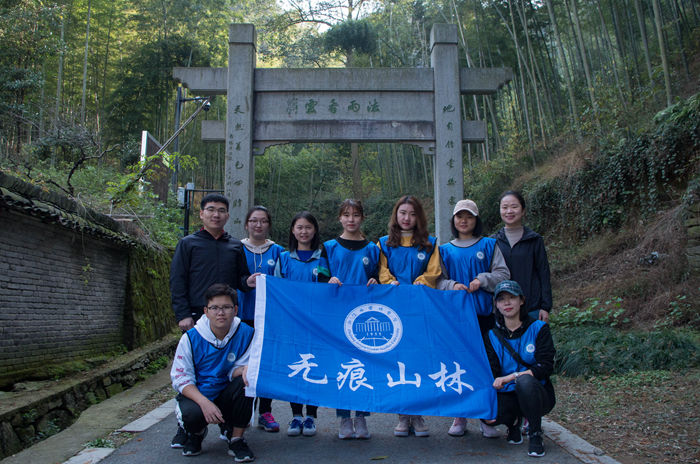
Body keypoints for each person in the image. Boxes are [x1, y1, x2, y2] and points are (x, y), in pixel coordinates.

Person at [169, 193, 259, 448]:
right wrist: (182, 314)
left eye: (221, 210)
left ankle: (227, 423)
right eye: (210, 210)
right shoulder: (188, 244)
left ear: (228, 216)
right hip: (197, 316)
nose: (216, 215)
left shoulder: (235, 246)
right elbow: (177, 281)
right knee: (194, 371)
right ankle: (188, 426)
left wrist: (249, 281)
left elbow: (241, 278)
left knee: (225, 371)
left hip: (226, 317)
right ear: (201, 214)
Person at [437, 199, 510, 438]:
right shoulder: (445, 250)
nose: (464, 221)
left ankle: (486, 417)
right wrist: (452, 285)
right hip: (456, 319)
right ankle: (460, 416)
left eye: (469, 216)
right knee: (459, 365)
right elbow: (437, 280)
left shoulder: (489, 245)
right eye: (460, 216)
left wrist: (482, 280)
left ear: (476, 220)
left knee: (486, 365)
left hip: (485, 316)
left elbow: (503, 274)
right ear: (454, 220)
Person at [170, 283, 256, 462]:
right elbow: (180, 378)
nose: (220, 313)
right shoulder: (190, 338)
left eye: (226, 307)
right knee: (192, 415)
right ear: (206, 311)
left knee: (248, 381)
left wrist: (247, 368)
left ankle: (236, 438)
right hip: (200, 393)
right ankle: (196, 433)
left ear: (235, 310)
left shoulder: (247, 333)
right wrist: (204, 403)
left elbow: (238, 368)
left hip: (226, 392)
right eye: (214, 308)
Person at [377, 195, 440, 438]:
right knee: (398, 362)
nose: (407, 218)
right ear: (396, 215)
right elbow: (381, 270)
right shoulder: (384, 244)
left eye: (412, 214)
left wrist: (421, 282)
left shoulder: (430, 244)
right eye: (403, 213)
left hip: (420, 310)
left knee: (419, 361)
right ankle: (403, 414)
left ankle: (418, 413)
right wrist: (390, 282)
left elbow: (433, 272)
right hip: (394, 310)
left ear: (419, 217)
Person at [324, 199, 379, 440]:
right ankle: (344, 417)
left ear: (362, 218)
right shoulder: (329, 247)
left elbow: (378, 275)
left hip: (365, 314)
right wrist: (329, 280)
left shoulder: (373, 248)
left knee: (364, 363)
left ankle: (361, 416)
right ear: (340, 218)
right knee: (342, 365)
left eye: (356, 214)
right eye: (346, 214)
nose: (351, 219)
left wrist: (376, 281)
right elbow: (321, 276)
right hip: (337, 313)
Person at [483, 280, 556, 458]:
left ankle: (535, 433)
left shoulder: (539, 328)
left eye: (512, 297)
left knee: (524, 382)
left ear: (521, 300)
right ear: (496, 305)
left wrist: (511, 377)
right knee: (488, 413)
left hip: (537, 393)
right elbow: (492, 370)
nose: (507, 303)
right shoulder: (491, 335)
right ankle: (513, 423)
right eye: (501, 299)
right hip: (508, 394)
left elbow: (546, 366)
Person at [274, 211, 330, 436]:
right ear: (293, 230)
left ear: (314, 230)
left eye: (308, 227)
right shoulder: (284, 258)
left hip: (316, 325)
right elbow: (277, 290)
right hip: (292, 324)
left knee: (314, 367)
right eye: (299, 227)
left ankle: (311, 417)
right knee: (295, 367)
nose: (304, 231)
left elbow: (326, 287)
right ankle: (296, 415)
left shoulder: (322, 257)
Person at [239, 206, 284, 434]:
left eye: (263, 221)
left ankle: (265, 411)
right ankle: (243, 411)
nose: (258, 225)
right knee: (243, 364)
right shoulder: (236, 248)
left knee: (267, 364)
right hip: (242, 314)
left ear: (269, 224)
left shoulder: (278, 252)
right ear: (246, 224)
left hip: (269, 318)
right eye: (254, 221)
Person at [494, 191, 552, 323]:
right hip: (503, 309)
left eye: (514, 206)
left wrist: (545, 306)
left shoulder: (534, 240)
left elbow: (543, 273)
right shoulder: (493, 242)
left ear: (523, 210)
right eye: (505, 207)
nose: (509, 211)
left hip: (532, 307)